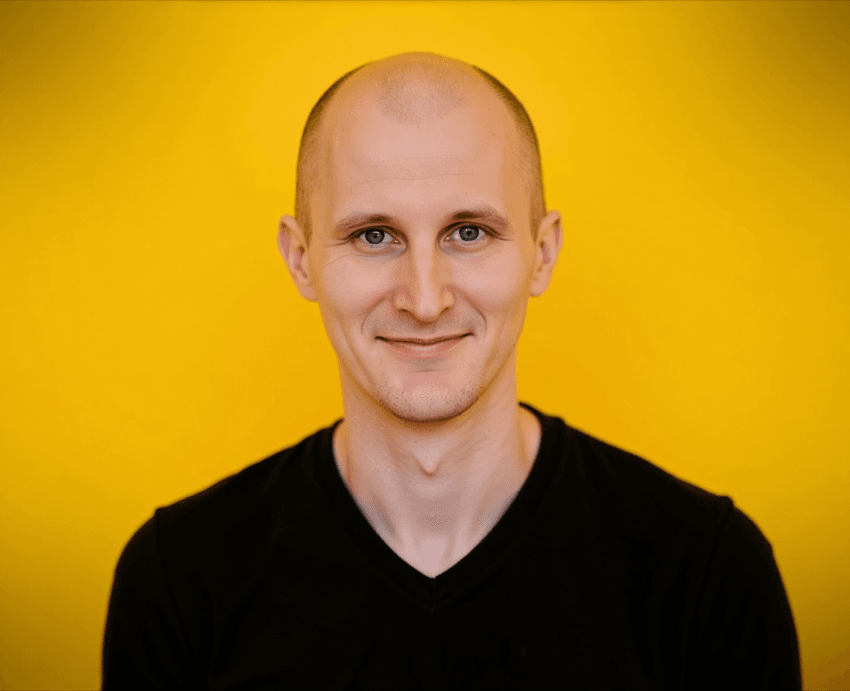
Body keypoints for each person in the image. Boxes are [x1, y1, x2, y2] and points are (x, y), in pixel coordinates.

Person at [102, 52, 802, 689]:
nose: (425, 298)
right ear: (300, 258)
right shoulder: (178, 580)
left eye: (469, 232)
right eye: (374, 235)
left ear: (543, 252)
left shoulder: (707, 574)